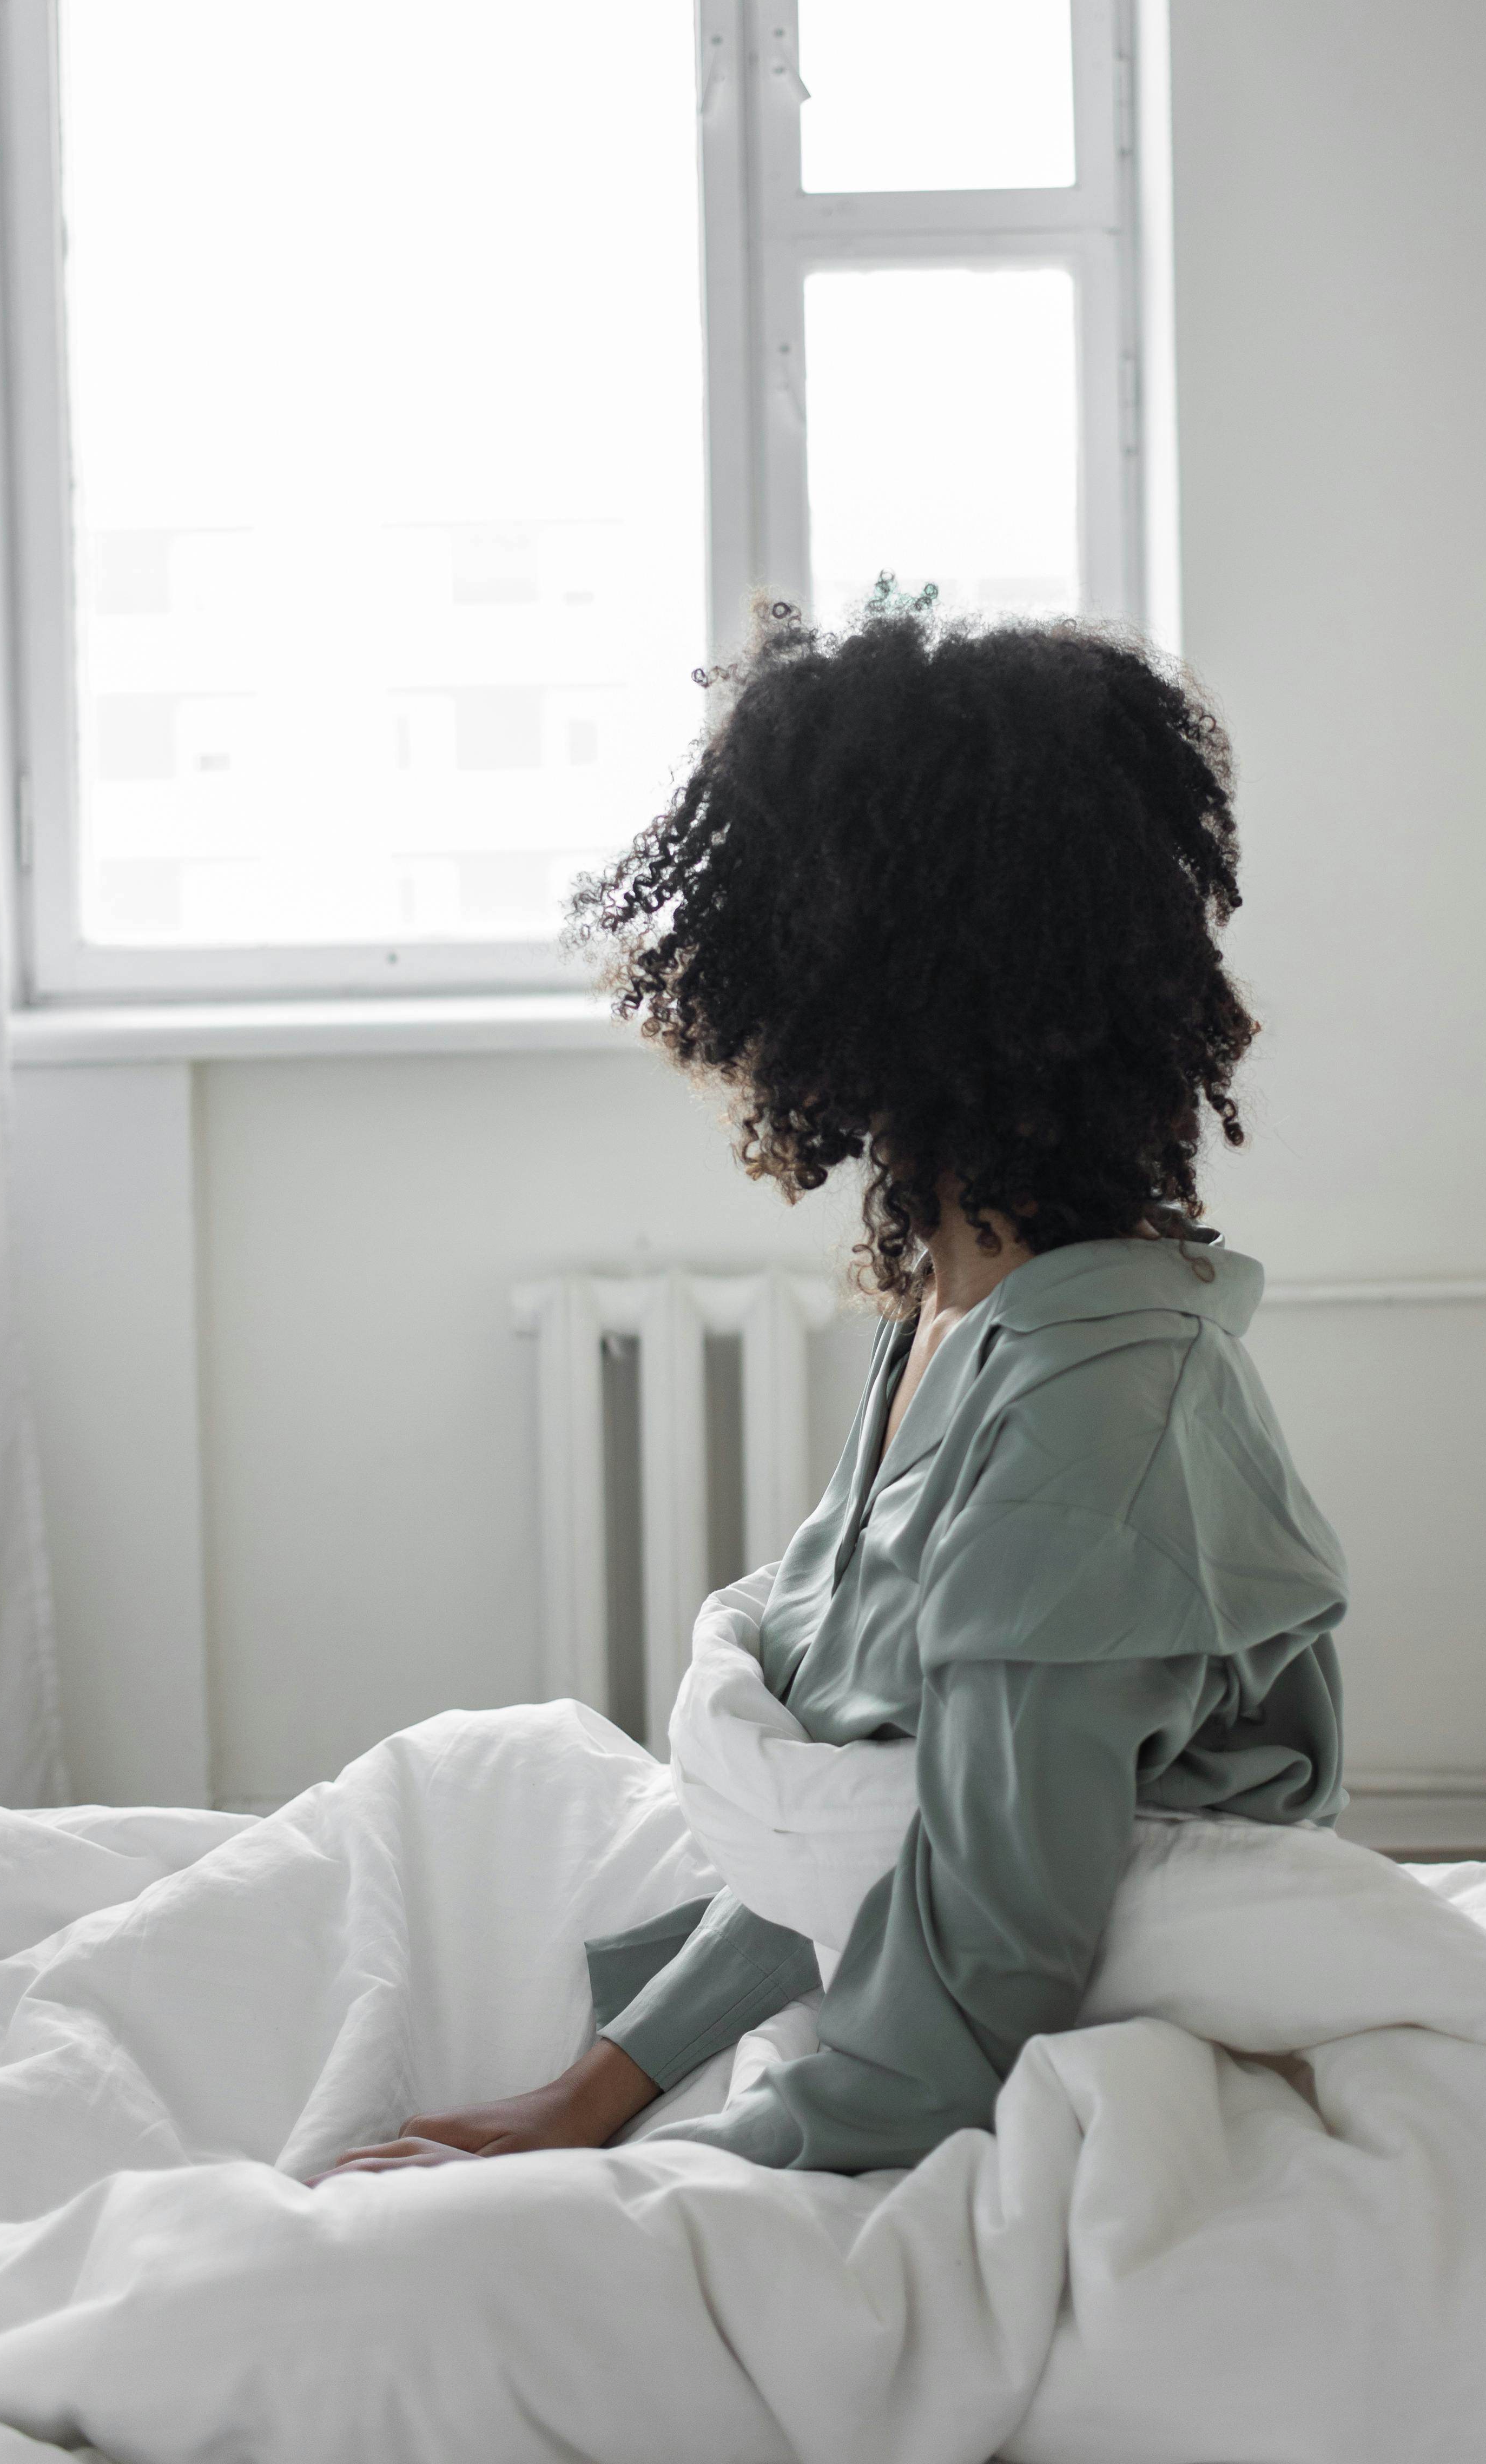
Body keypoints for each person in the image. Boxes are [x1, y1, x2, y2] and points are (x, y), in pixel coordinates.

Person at [323, 593, 1346, 2184]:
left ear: (876, 975)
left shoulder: (1083, 1426)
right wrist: (585, 2095)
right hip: (861, 1971)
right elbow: (866, 1803)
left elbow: (983, 1974)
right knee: (431, 1814)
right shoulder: (967, 1301)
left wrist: (615, 2182)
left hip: (1001, 2053)